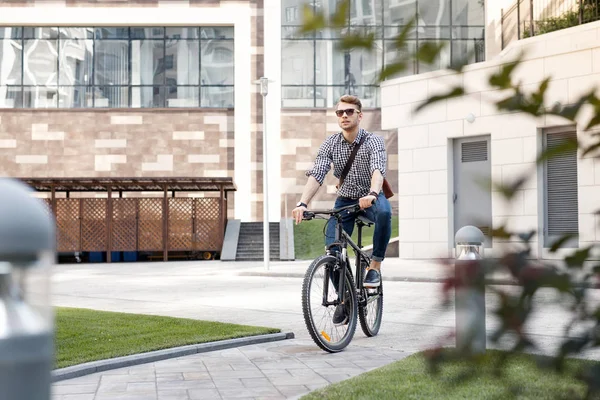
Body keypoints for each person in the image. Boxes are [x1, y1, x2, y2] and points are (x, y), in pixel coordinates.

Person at [291, 94, 392, 325]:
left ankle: (374, 266)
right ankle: (346, 299)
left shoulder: (373, 141)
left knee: (385, 213)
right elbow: (317, 173)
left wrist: (373, 194)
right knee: (333, 251)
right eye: (340, 112)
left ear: (359, 115)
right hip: (345, 201)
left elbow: (378, 170)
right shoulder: (330, 143)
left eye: (349, 112)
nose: (344, 116)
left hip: (371, 198)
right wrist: (302, 203)